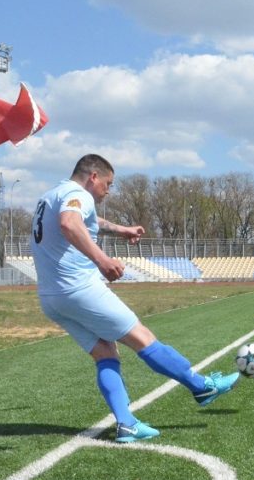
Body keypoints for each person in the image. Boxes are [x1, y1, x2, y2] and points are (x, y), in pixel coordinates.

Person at [31, 154, 240, 443]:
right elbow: (69, 223)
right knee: (143, 337)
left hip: (51, 297)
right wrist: (102, 259)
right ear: (93, 176)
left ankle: (126, 424)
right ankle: (201, 386)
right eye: (108, 184)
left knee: (106, 352)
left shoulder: (53, 193)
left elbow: (87, 220)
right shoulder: (76, 194)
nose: (108, 190)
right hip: (79, 289)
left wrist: (121, 230)